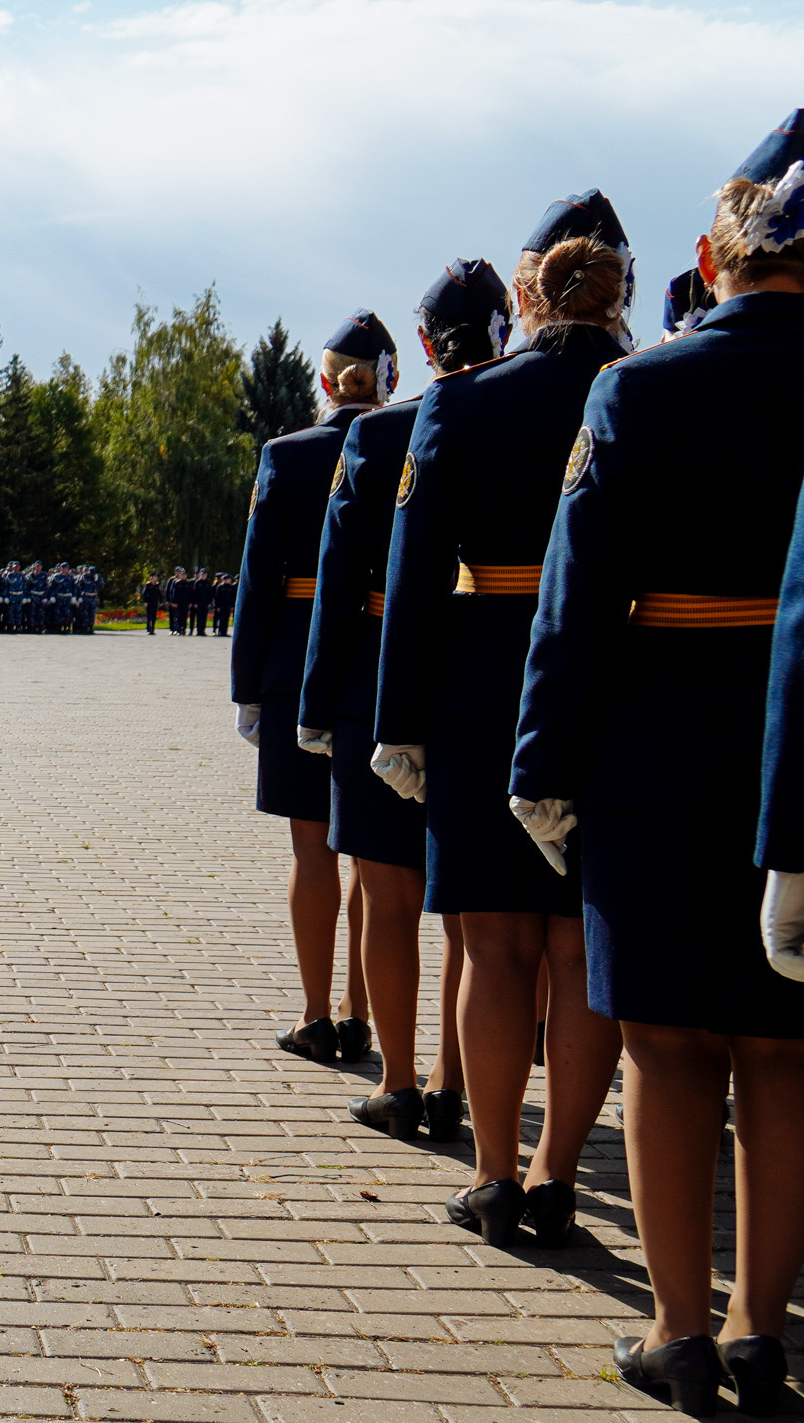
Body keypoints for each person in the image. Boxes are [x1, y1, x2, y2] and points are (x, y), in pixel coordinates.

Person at [516, 116, 804, 1414]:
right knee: (793, 1054)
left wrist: (544, 755)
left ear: (711, 251)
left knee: (668, 1043)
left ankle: (680, 1323)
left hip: (654, 755)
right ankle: (762, 1324)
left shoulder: (638, 391)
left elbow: (575, 599)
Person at [382, 194, 632, 1250]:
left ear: (528, 290)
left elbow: (410, 578)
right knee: (580, 951)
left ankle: (491, 1172)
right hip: (615, 681)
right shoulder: (639, 390)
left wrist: (397, 723)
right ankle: (554, 1172)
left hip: (483, 681)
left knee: (489, 943)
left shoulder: (464, 404)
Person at [300, 262, 508, 1142]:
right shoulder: (523, 409)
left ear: (420, 348)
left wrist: (313, 704)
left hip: (377, 687)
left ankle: (396, 1077)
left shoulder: (383, 435)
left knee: (387, 894)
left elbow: (338, 582)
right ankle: (453, 1077)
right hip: (479, 690)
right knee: (465, 909)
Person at [233, 313, 387, 1068]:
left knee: (310, 845)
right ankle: (364, 1013)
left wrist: (247, 686)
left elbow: (258, 582)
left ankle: (316, 1014)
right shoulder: (404, 441)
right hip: (375, 659)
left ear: (323, 381)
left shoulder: (285, 455)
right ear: (389, 377)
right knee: (367, 850)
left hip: (295, 662)